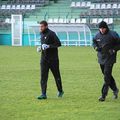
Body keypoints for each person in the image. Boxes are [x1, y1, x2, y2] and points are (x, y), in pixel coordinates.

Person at [93, 21, 120, 102]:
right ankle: (115, 89)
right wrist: (96, 48)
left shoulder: (113, 34)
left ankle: (103, 95)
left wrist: (114, 50)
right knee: (107, 75)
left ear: (106, 27)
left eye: (103, 28)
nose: (102, 30)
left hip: (110, 58)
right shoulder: (97, 35)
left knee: (106, 75)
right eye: (100, 28)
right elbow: (94, 43)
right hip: (101, 58)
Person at [37, 20, 64, 100]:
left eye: (42, 26)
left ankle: (60, 90)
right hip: (44, 59)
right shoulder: (41, 33)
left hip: (53, 60)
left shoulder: (52, 34)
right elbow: (43, 45)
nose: (40, 28)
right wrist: (40, 48)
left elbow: (59, 44)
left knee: (57, 76)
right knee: (43, 77)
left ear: (46, 26)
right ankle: (43, 94)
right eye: (40, 26)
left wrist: (48, 46)